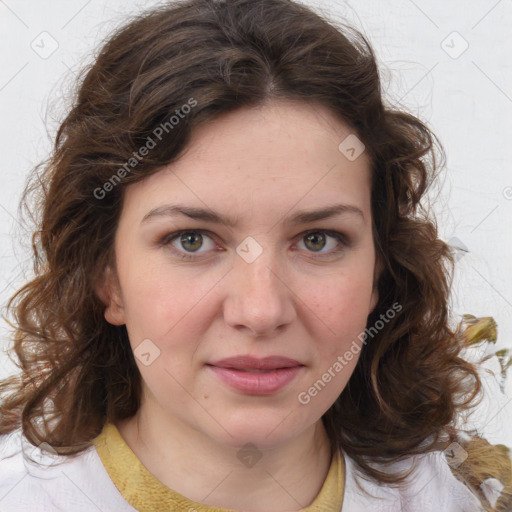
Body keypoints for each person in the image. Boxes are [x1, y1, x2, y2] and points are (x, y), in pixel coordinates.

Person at [0, 0, 510, 510]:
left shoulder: (455, 497)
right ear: (106, 277)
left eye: (317, 239)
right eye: (192, 240)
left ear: (379, 270)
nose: (262, 311)